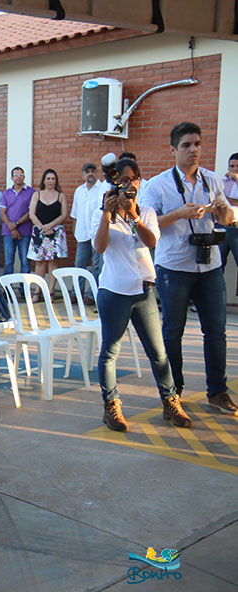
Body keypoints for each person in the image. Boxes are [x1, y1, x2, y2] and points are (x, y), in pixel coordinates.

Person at [140, 122, 237, 415]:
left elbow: (226, 219)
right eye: (186, 145)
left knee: (216, 332)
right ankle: (174, 392)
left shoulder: (212, 180)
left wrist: (224, 213)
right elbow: (146, 225)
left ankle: (217, 391)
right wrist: (178, 214)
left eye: (197, 144)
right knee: (172, 331)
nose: (193, 150)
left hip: (209, 265)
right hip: (174, 266)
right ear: (173, 150)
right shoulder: (157, 184)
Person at [90, 159, 194, 432]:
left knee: (158, 353)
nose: (129, 185)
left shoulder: (146, 211)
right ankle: (111, 406)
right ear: (115, 184)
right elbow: (99, 248)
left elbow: (152, 242)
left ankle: (171, 402)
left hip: (145, 289)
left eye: (134, 179)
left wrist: (133, 214)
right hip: (114, 290)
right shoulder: (102, 211)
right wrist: (106, 214)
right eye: (123, 180)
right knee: (110, 352)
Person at [27, 169, 69, 302]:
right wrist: (42, 228)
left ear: (56, 181)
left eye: (53, 178)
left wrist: (50, 226)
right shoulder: (37, 195)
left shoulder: (60, 196)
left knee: (53, 263)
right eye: (48, 178)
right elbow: (32, 214)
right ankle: (38, 291)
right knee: (39, 263)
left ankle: (51, 291)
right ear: (44, 180)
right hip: (39, 232)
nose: (50, 181)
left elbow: (64, 215)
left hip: (55, 233)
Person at [71, 163, 108, 304]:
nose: (90, 174)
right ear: (83, 175)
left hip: (97, 234)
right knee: (79, 265)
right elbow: (74, 215)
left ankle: (93, 294)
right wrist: (75, 234)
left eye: (93, 171)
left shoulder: (102, 188)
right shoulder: (79, 191)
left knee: (98, 266)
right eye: (87, 172)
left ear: (97, 173)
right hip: (82, 234)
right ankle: (76, 294)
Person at [0, 167, 35, 278]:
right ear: (12, 178)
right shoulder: (6, 193)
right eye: (16, 175)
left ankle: (24, 289)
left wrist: (16, 224)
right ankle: (7, 290)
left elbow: (31, 212)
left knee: (24, 261)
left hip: (25, 232)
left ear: (24, 177)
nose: (19, 177)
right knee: (8, 262)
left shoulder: (32, 192)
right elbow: (2, 213)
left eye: (21, 174)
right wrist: (12, 228)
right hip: (8, 232)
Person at [219, 152, 238, 292]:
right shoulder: (222, 183)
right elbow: (219, 201)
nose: (234, 169)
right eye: (232, 166)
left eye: (237, 166)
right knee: (217, 266)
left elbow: (226, 201)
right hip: (222, 227)